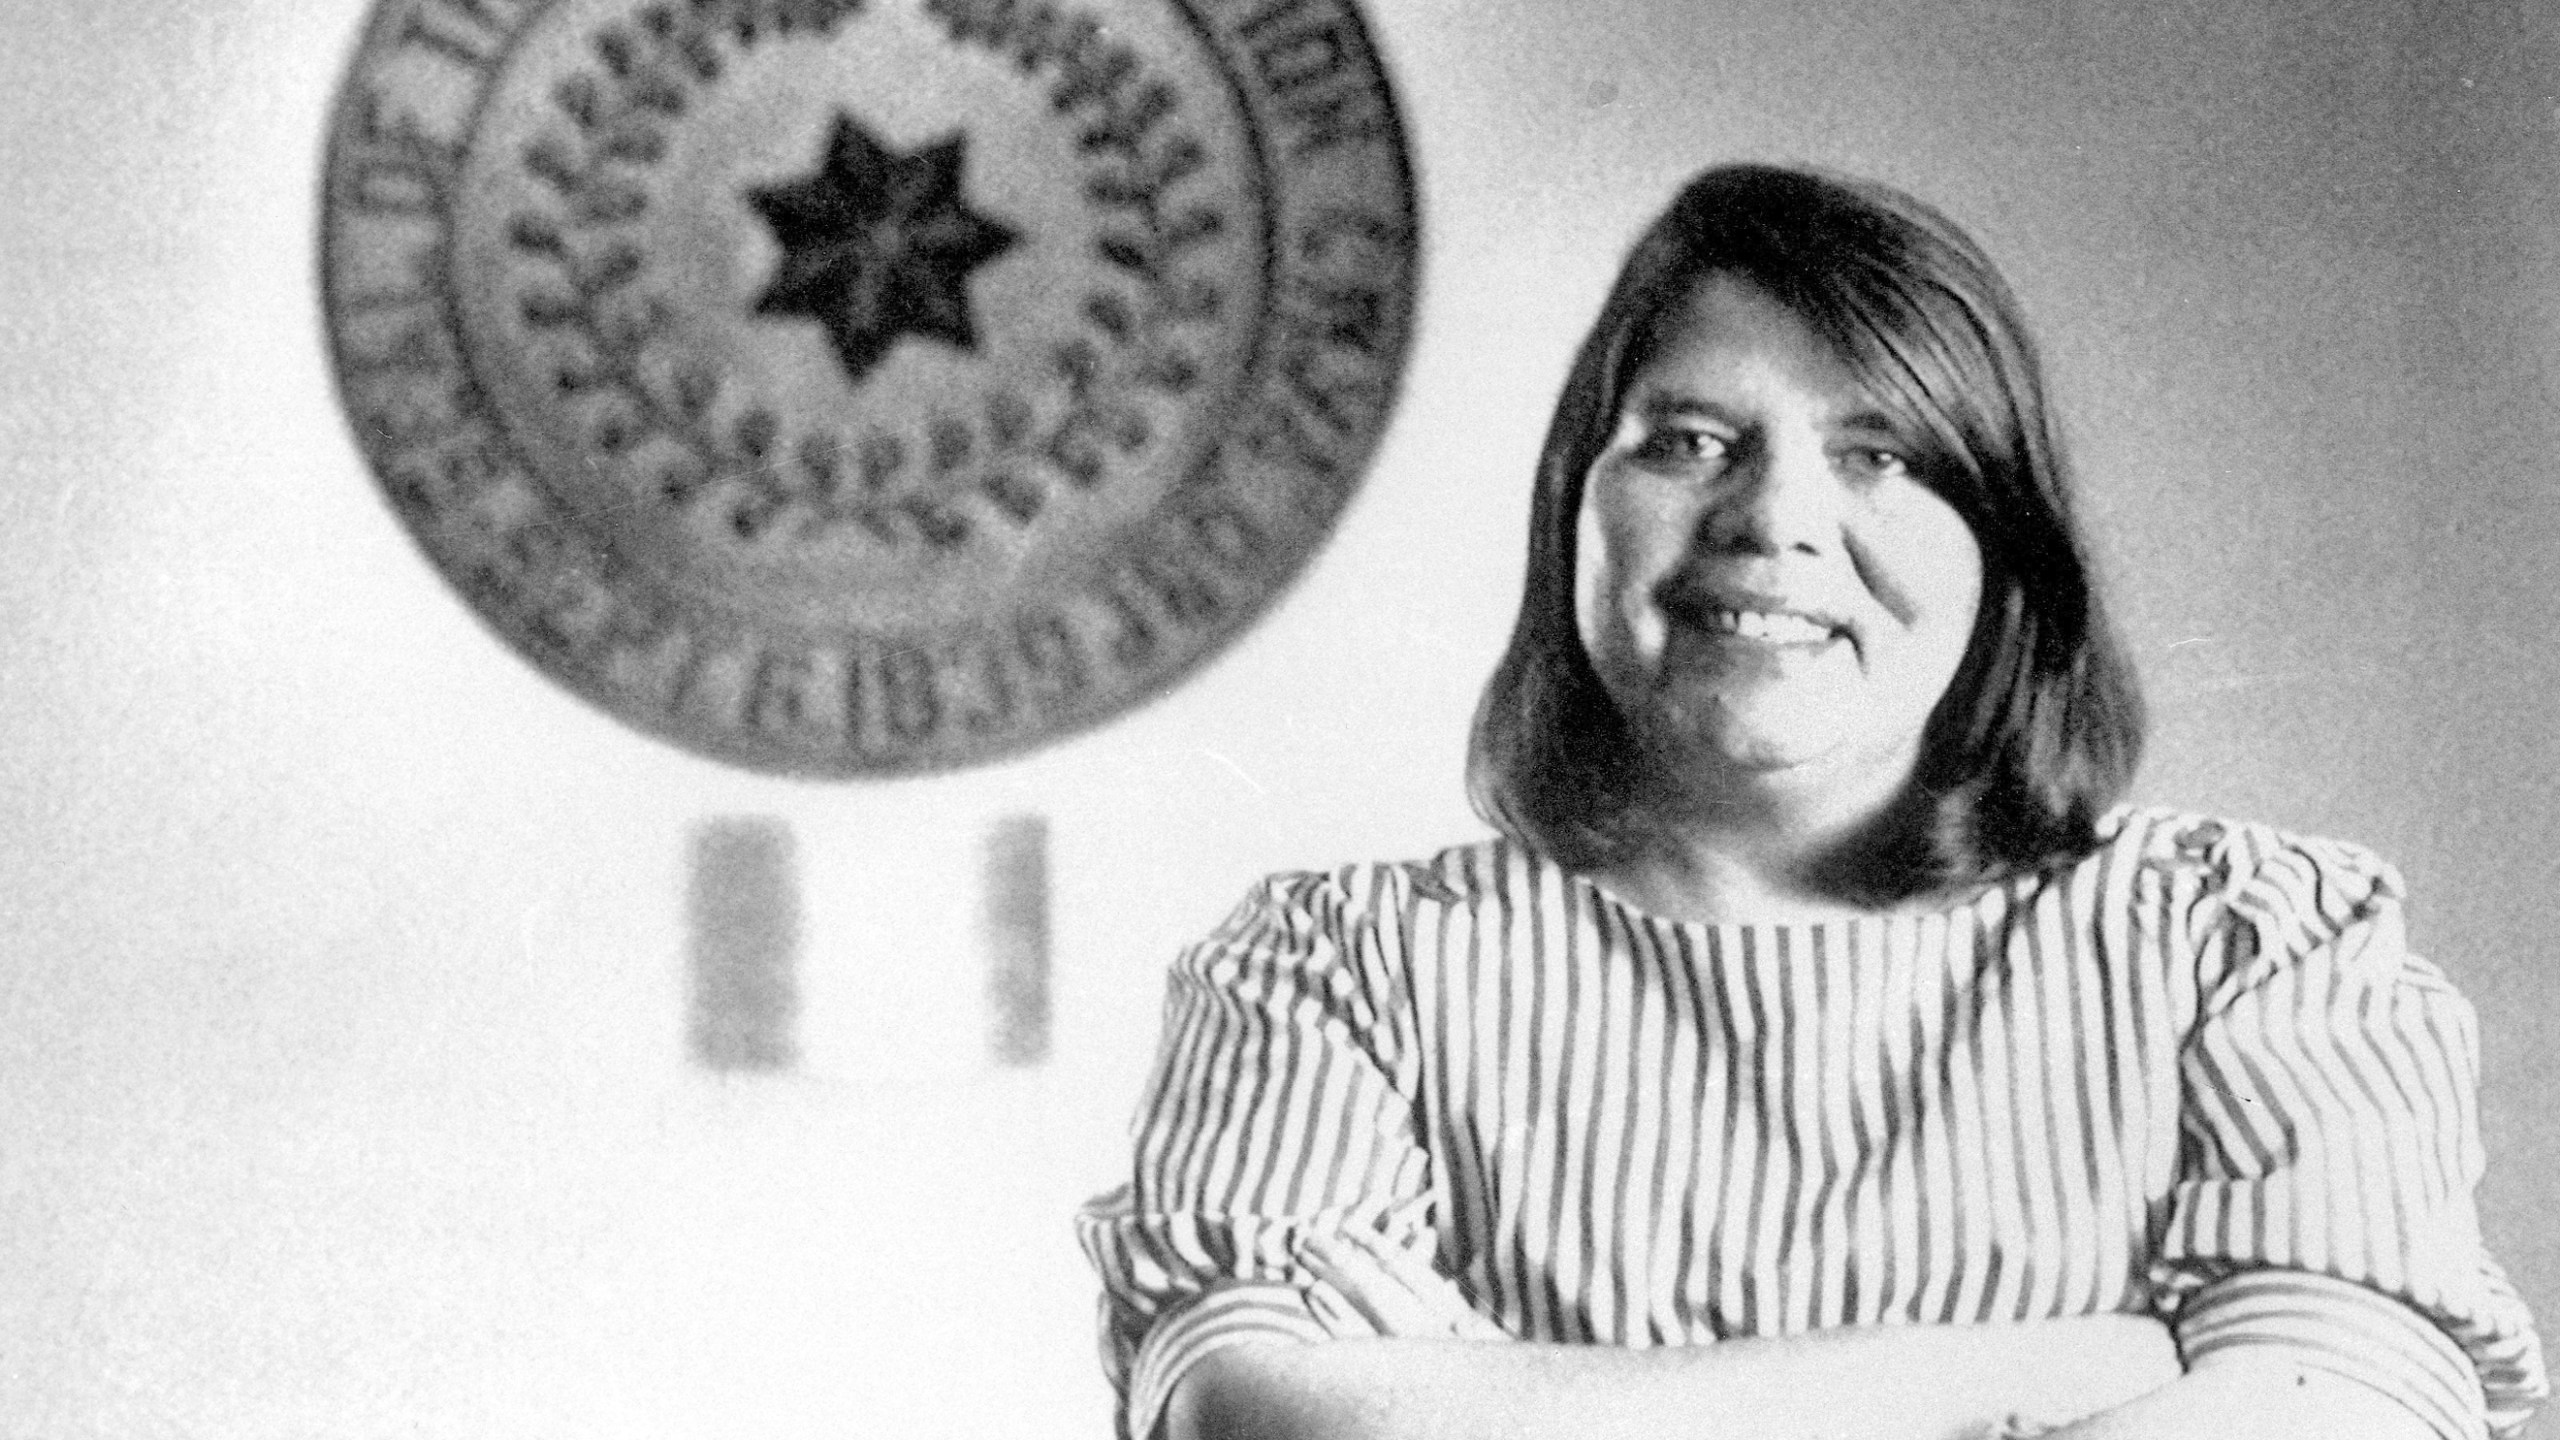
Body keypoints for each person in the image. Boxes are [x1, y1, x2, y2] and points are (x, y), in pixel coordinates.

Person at [1076, 163, 2546, 1440]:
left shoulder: (2250, 949)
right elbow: (1259, 1414)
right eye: (1690, 442)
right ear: (1572, 509)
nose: (1773, 520)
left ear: (2005, 546)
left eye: (1881, 455)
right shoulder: (1336, 972)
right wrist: (2071, 1368)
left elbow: (2348, 1404)